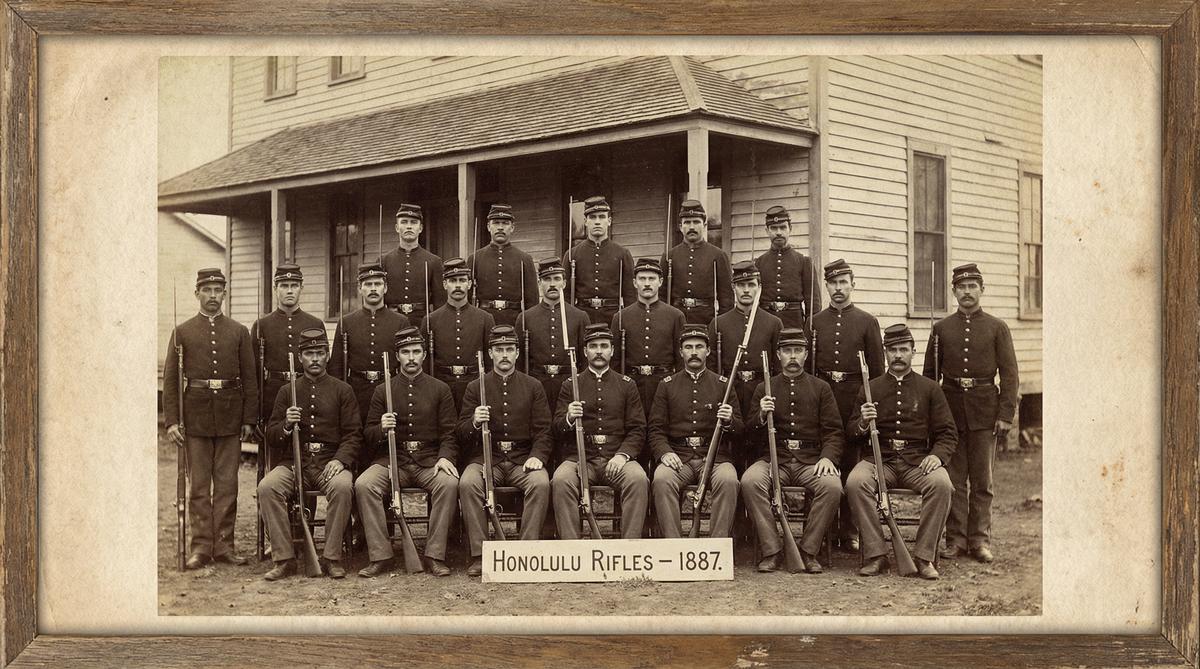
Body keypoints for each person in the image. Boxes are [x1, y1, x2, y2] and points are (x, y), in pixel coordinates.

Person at [924, 263, 1019, 564]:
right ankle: (956, 540)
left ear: (981, 289)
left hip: (984, 412)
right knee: (952, 479)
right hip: (950, 413)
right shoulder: (941, 329)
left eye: (972, 286)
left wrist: (1006, 414)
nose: (967, 292)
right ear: (954, 291)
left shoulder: (996, 327)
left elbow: (1010, 374)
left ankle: (980, 540)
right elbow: (929, 377)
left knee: (982, 481)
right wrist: (932, 417)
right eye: (961, 287)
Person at [163, 267, 258, 569]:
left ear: (224, 294)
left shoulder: (239, 332)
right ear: (197, 294)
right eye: (207, 290)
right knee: (199, 486)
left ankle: (224, 546)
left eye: (218, 291)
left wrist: (249, 419)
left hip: (230, 416)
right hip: (197, 418)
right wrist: (172, 421)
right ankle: (201, 548)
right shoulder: (183, 332)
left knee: (228, 484)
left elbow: (250, 379)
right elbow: (170, 382)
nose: (213, 296)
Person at [846, 324, 957, 580]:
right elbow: (851, 431)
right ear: (885, 353)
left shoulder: (929, 388)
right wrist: (863, 422)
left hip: (916, 461)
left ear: (913, 352)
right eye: (892, 350)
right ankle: (876, 555)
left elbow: (948, 433)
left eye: (903, 350)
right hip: (878, 458)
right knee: (855, 482)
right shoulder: (869, 387)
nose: (897, 355)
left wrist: (937, 456)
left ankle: (924, 555)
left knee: (942, 484)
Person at [355, 326, 460, 578]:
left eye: (416, 351)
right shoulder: (383, 390)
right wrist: (382, 427)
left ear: (424, 355)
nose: (411, 357)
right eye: (405, 352)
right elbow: (367, 435)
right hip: (393, 461)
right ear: (397, 356)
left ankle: (435, 555)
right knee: (364, 484)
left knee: (448, 484)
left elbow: (449, 433)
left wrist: (445, 457)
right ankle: (381, 556)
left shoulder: (440, 389)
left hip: (428, 461)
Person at [258, 328, 361, 581]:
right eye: (309, 354)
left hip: (329, 462)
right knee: (267, 487)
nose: (314, 359)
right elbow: (270, 435)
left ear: (327, 356)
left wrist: (340, 460)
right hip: (294, 463)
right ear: (300, 358)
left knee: (343, 486)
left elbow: (353, 434)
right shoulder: (286, 391)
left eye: (319, 353)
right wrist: (285, 424)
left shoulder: (343, 390)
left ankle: (331, 557)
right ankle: (284, 558)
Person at [744, 328, 844, 573]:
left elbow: (834, 431)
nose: (792, 356)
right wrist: (760, 415)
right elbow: (747, 433)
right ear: (778, 354)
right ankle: (773, 550)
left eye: (797, 351)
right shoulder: (764, 387)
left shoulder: (821, 388)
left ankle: (808, 551)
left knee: (832, 486)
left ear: (806, 354)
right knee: (749, 481)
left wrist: (827, 457)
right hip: (773, 458)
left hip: (810, 460)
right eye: (787, 351)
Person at [456, 325, 553, 575]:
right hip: (488, 458)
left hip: (522, 459)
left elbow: (543, 430)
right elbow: (461, 432)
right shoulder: (474, 387)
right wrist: (475, 421)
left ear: (518, 353)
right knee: (468, 482)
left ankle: (525, 552)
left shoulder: (533, 386)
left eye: (509, 349)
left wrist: (537, 456)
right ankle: (480, 554)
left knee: (541, 483)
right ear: (490, 354)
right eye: (499, 350)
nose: (504, 355)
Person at [810, 258, 884, 551]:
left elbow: (877, 372)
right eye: (833, 283)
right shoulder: (815, 322)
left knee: (853, 464)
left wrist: (869, 405)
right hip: (824, 398)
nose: (838, 288)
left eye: (844, 282)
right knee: (825, 463)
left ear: (853, 284)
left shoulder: (867, 321)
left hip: (855, 400)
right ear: (826, 286)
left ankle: (850, 530)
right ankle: (823, 526)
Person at [552, 324, 649, 539]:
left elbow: (637, 428)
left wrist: (622, 456)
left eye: (604, 346)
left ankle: (629, 547)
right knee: (561, 479)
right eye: (593, 346)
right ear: (585, 351)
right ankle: (572, 549)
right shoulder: (570, 385)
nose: (598, 351)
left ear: (612, 351)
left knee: (638, 478)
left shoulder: (627, 385)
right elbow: (556, 428)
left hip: (616, 457)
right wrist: (568, 416)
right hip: (580, 458)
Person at [648, 326, 742, 538]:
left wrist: (729, 421)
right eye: (688, 347)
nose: (693, 352)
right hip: (679, 457)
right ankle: (675, 547)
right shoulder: (667, 385)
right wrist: (664, 452)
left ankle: (716, 547)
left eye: (699, 347)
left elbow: (740, 430)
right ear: (681, 352)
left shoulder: (723, 385)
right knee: (662, 478)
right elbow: (655, 429)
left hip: (715, 457)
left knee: (728, 480)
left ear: (708, 351)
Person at [328, 261, 410, 423]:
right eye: (368, 284)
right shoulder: (346, 322)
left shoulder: (400, 322)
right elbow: (336, 367)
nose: (373, 288)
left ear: (385, 288)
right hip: (356, 393)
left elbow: (406, 363)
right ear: (360, 289)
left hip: (390, 391)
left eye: (378, 284)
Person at [251, 263, 326, 440]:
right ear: (276, 289)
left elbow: (324, 367)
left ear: (302, 288)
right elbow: (252, 374)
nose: (290, 291)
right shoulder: (262, 325)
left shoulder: (315, 324)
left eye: (294, 286)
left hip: (308, 392)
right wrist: (254, 414)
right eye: (284, 286)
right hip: (272, 397)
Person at [707, 260, 783, 422]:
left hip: (761, 391)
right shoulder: (719, 323)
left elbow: (778, 367)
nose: (746, 290)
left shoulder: (773, 323)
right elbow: (712, 367)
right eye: (741, 285)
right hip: (730, 390)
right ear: (733, 287)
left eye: (751, 284)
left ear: (759, 287)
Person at [610, 257, 685, 420]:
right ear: (635, 283)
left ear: (661, 281)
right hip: (632, 385)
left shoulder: (675, 316)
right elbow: (614, 361)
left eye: (652, 278)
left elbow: (680, 359)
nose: (647, 283)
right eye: (642, 279)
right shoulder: (621, 317)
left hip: (663, 385)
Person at [514, 258, 589, 411]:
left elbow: (585, 358)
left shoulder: (580, 316)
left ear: (565, 283)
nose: (552, 284)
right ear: (540, 284)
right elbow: (519, 360)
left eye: (557, 279)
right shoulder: (526, 318)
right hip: (537, 384)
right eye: (547, 279)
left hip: (569, 384)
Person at [421, 258, 496, 411]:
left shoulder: (485, 318)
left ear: (469, 284)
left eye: (462, 280)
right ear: (444, 284)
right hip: (441, 386)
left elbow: (490, 361)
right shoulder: (430, 320)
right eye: (452, 280)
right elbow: (426, 361)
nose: (457, 286)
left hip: (474, 386)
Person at [563, 195, 636, 324]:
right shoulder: (572, 254)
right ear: (585, 221)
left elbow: (630, 296)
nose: (597, 222)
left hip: (613, 318)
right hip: (583, 318)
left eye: (602, 217)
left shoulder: (622, 254)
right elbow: (566, 296)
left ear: (609, 221)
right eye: (592, 217)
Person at [661, 199, 734, 325]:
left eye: (696, 222)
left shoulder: (718, 255)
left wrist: (721, 325)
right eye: (687, 223)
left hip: (707, 321)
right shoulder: (669, 256)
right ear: (680, 227)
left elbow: (726, 297)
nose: (692, 227)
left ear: (704, 225)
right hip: (676, 320)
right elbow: (661, 294)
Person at [467, 203, 537, 326]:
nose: (500, 227)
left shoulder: (524, 259)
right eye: (496, 223)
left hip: (514, 321)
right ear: (488, 226)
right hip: (483, 321)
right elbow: (467, 298)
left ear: (512, 227)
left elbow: (532, 301)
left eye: (505, 223)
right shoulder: (475, 258)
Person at [754, 205, 821, 329]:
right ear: (767, 230)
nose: (778, 232)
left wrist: (809, 328)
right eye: (773, 228)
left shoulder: (803, 262)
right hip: (766, 324)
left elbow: (813, 304)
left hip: (794, 323)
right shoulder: (758, 263)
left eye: (782, 227)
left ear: (790, 228)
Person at [380, 203, 445, 322]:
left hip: (422, 324)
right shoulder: (384, 261)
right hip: (390, 323)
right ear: (396, 227)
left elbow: (440, 303)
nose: (409, 226)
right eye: (404, 222)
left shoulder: (433, 261)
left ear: (420, 228)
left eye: (413, 222)